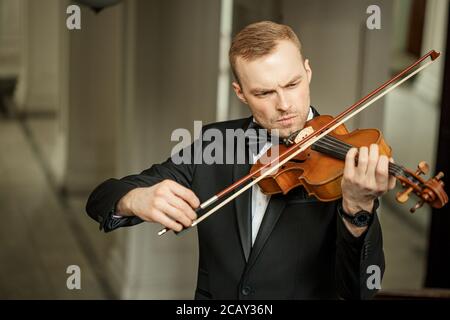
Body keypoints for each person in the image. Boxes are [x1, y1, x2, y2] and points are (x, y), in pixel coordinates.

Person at [86, 21, 395, 299]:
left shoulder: (348, 165)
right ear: (241, 92)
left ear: (308, 72)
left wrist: (357, 209)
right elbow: (100, 198)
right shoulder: (214, 144)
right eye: (264, 93)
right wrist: (134, 198)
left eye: (292, 84)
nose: (285, 104)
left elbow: (360, 290)